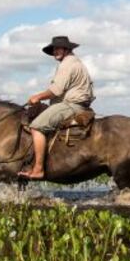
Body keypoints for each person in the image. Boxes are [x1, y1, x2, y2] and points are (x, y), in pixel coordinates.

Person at [18, 36, 94, 180]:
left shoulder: (67, 64)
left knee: (37, 126)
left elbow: (56, 90)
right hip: (73, 103)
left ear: (67, 49)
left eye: (58, 48)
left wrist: (38, 97)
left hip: (71, 105)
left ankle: (38, 169)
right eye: (54, 49)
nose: (55, 51)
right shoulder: (75, 62)